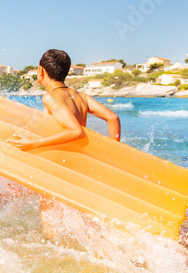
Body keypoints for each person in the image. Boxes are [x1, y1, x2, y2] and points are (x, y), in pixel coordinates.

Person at [6, 48, 122, 232]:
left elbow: (76, 131)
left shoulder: (50, 97)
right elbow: (113, 118)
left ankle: (53, 251)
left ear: (41, 71)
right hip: (77, 164)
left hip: (58, 165)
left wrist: (32, 143)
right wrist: (114, 153)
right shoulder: (80, 96)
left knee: (47, 212)